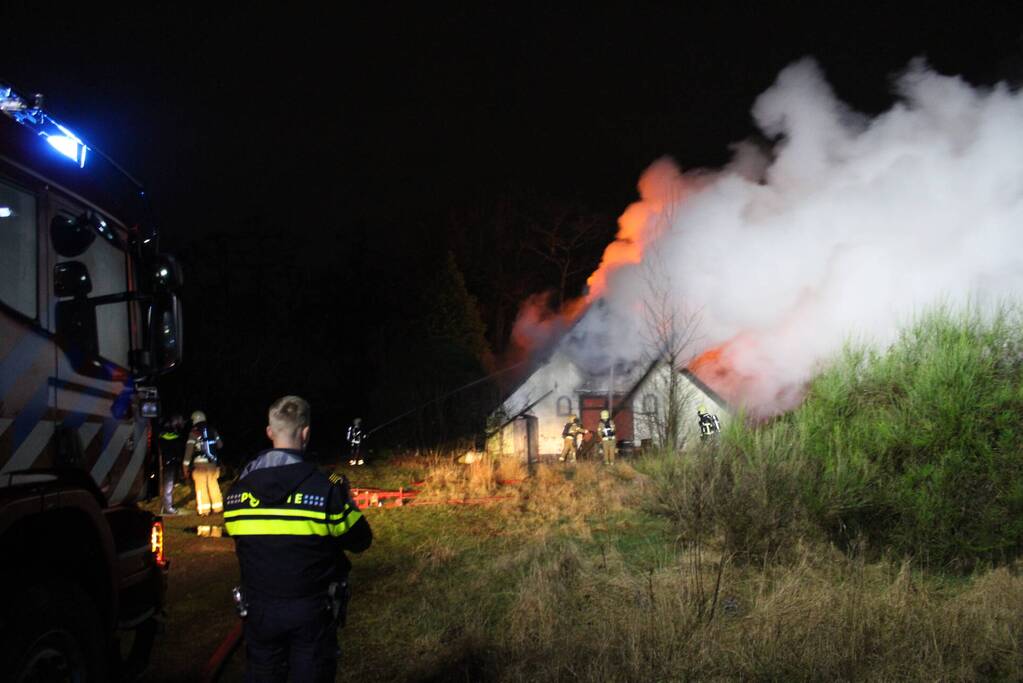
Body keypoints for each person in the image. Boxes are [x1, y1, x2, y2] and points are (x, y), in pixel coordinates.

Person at [224, 395, 372, 682]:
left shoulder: (236, 493)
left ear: (270, 432)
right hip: (311, 612)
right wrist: (348, 500)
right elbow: (360, 540)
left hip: (258, 611)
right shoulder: (326, 489)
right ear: (306, 433)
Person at [183, 410, 224, 516]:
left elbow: (189, 450)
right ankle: (218, 508)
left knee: (201, 488)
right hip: (212, 464)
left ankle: (204, 511)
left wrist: (185, 465)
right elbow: (220, 445)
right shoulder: (212, 430)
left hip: (199, 465)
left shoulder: (194, 432)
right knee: (213, 485)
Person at [157, 414, 187, 514]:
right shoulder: (175, 436)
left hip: (165, 462)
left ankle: (166, 505)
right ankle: (168, 508)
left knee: (166, 485)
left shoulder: (161, 435)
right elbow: (179, 450)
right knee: (168, 485)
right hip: (170, 463)